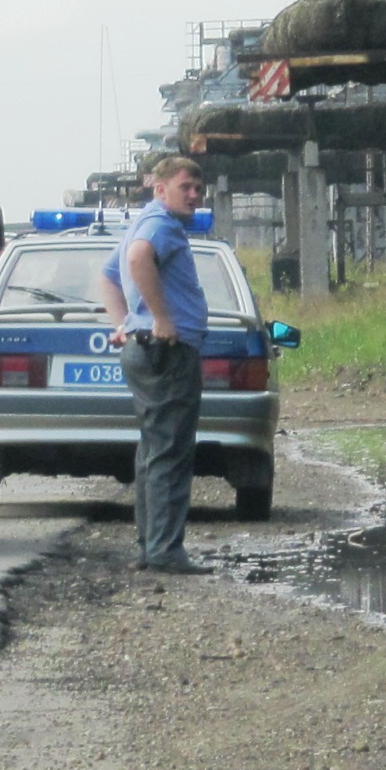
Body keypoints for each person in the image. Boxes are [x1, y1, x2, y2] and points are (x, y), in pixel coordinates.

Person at [95, 156, 211, 575]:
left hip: (143, 347)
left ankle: (151, 545)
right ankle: (164, 550)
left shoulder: (143, 222)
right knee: (170, 452)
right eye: (185, 187)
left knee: (153, 450)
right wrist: (160, 318)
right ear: (160, 189)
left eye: (199, 187)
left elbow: (108, 275)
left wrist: (124, 323)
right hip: (167, 352)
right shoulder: (158, 226)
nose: (194, 195)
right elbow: (137, 259)